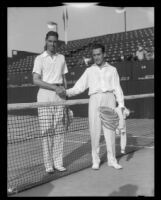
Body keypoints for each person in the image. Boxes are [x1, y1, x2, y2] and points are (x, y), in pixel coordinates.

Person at [66, 43, 125, 170]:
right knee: (94, 131)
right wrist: (66, 92)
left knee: (110, 131)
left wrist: (120, 106)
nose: (96, 57)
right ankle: (96, 160)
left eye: (98, 54)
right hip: (94, 100)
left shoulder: (113, 70)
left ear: (104, 54)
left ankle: (112, 160)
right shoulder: (89, 70)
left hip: (109, 99)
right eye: (94, 55)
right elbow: (79, 87)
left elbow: (117, 88)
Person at [32, 31, 67, 173]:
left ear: (57, 42)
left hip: (60, 96)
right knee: (47, 131)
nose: (53, 44)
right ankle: (48, 164)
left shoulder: (62, 58)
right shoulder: (39, 59)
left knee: (59, 130)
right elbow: (35, 80)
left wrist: (65, 94)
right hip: (45, 95)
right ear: (46, 41)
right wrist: (54, 88)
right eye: (50, 41)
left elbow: (63, 78)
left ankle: (58, 162)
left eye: (55, 41)